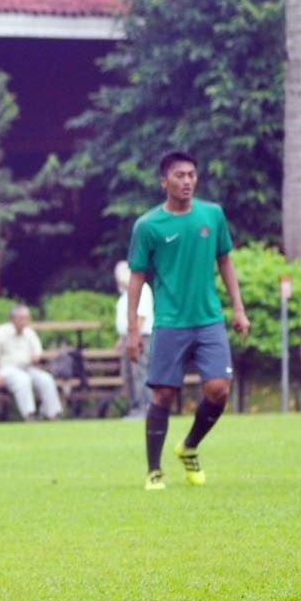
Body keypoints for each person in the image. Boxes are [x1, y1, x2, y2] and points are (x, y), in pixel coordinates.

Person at [126, 149, 250, 489]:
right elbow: (137, 278)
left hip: (209, 319)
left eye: (192, 175)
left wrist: (238, 309)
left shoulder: (212, 215)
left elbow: (225, 261)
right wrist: (133, 330)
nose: (187, 181)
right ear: (164, 181)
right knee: (163, 394)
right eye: (179, 176)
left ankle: (189, 446)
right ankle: (154, 470)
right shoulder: (148, 225)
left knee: (218, 389)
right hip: (169, 322)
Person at [0, 305, 64, 421]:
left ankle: (53, 413)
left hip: (27, 368)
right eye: (21, 318)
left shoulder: (30, 333)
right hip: (5, 369)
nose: (24, 321)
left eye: (26, 318)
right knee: (23, 379)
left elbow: (37, 352)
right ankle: (29, 414)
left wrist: (36, 357)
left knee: (46, 379)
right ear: (12, 319)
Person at [113, 260, 154, 419]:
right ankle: (135, 408)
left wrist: (133, 336)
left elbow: (141, 317)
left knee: (140, 373)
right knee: (128, 376)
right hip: (126, 338)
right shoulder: (124, 294)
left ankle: (146, 407)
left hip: (140, 338)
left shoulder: (142, 289)